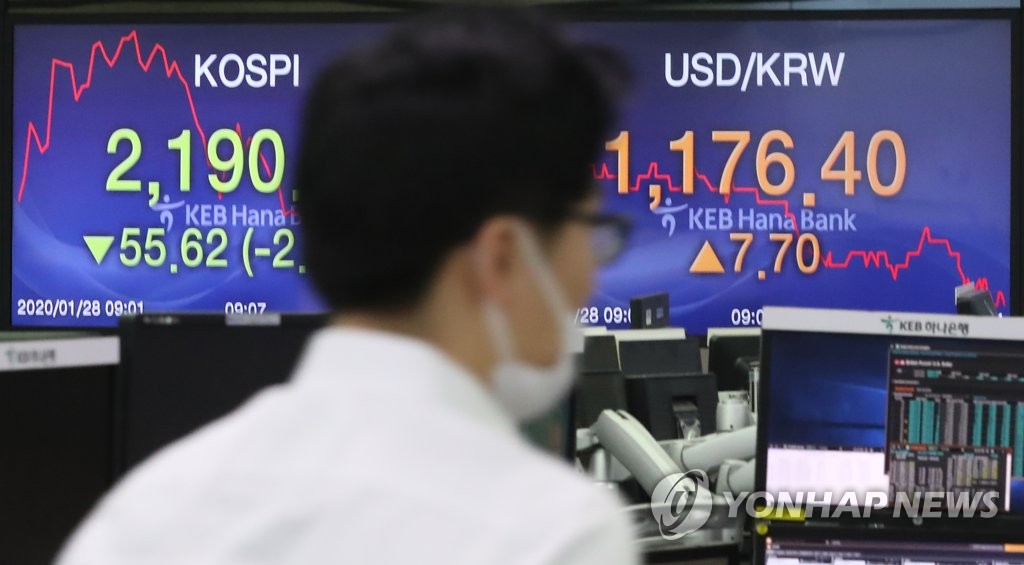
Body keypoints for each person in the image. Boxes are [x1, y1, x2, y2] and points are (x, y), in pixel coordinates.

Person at [57, 8, 639, 564]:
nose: (590, 273)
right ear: (502, 257)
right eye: (591, 228)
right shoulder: (553, 534)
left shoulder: (143, 514)